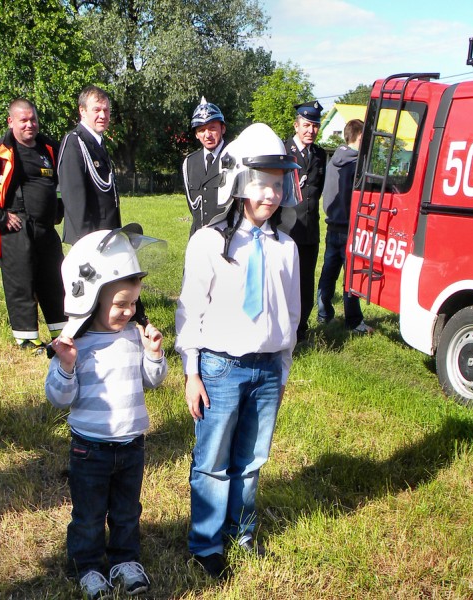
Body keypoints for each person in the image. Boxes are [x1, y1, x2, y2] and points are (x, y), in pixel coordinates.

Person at [175, 123, 301, 580]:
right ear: (240, 182)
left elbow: (291, 315)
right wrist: (192, 371)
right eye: (261, 183)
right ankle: (206, 543)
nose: (269, 195)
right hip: (220, 369)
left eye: (277, 185)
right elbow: (190, 309)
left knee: (251, 461)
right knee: (212, 461)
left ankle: (241, 533)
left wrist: (281, 373)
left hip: (266, 371)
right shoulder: (209, 241)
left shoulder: (286, 249)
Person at [46, 225, 167, 599]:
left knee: (128, 511)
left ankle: (125, 561)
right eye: (120, 304)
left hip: (131, 445)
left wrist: (154, 353)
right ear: (91, 297)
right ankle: (87, 566)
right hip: (90, 450)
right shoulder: (74, 345)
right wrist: (65, 367)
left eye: (133, 303)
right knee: (89, 515)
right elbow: (58, 398)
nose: (129, 310)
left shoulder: (134, 334)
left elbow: (153, 381)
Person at [0, 99, 66, 353]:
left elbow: (60, 185)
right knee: (21, 284)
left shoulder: (49, 147)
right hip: (16, 228)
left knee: (54, 281)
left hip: (45, 229)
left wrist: (58, 211)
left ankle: (61, 333)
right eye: (23, 120)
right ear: (11, 122)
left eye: (33, 119)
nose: (30, 124)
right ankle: (27, 339)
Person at [316, 119, 373, 334]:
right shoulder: (357, 165)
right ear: (359, 137)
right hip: (350, 227)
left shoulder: (333, 162)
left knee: (328, 273)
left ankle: (323, 314)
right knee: (351, 277)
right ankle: (354, 321)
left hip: (332, 225)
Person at [278, 100, 326, 342]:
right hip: (286, 229)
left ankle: (301, 328)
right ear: (296, 125)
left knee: (306, 283)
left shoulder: (319, 155)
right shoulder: (283, 151)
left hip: (309, 230)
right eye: (306, 125)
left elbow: (318, 191)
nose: (311, 131)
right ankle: (281, 328)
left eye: (315, 126)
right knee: (283, 280)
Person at [58, 85, 120, 245]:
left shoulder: (97, 141)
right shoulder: (75, 142)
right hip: (90, 237)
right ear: (83, 111)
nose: (103, 115)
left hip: (106, 232)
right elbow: (74, 198)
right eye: (97, 110)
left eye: (106, 110)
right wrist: (87, 241)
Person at [182, 97, 227, 236]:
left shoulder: (235, 155)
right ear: (196, 134)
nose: (207, 135)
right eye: (201, 130)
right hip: (198, 237)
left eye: (212, 128)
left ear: (222, 128)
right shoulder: (189, 163)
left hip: (229, 238)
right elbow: (193, 206)